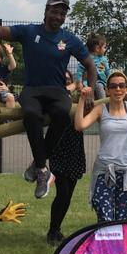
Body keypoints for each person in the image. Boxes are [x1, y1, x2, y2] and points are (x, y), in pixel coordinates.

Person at [0, 0, 96, 199]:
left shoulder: (69, 39)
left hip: (57, 91)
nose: (58, 16)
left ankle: (37, 163)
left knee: (63, 113)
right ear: (45, 11)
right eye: (55, 11)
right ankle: (43, 170)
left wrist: (89, 89)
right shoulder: (29, 32)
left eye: (63, 13)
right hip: (32, 90)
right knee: (32, 115)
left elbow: (90, 65)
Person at [73, 71, 127, 222]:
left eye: (121, 86)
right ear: (107, 90)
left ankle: (121, 246)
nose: (118, 89)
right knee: (105, 218)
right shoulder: (100, 109)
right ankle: (106, 245)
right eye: (113, 86)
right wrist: (82, 101)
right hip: (105, 171)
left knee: (125, 220)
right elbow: (79, 125)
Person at [46, 70, 86, 244]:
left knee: (68, 195)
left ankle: (57, 229)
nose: (66, 83)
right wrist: (72, 86)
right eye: (63, 81)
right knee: (62, 193)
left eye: (68, 80)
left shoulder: (77, 98)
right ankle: (52, 231)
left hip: (75, 149)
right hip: (59, 149)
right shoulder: (54, 98)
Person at [84, 32, 111, 99]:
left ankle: (103, 102)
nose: (105, 49)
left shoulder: (103, 59)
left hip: (100, 82)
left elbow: (108, 72)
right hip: (87, 83)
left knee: (99, 86)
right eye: (104, 47)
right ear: (97, 48)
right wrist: (80, 82)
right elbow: (81, 71)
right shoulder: (87, 59)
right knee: (88, 90)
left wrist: (110, 82)